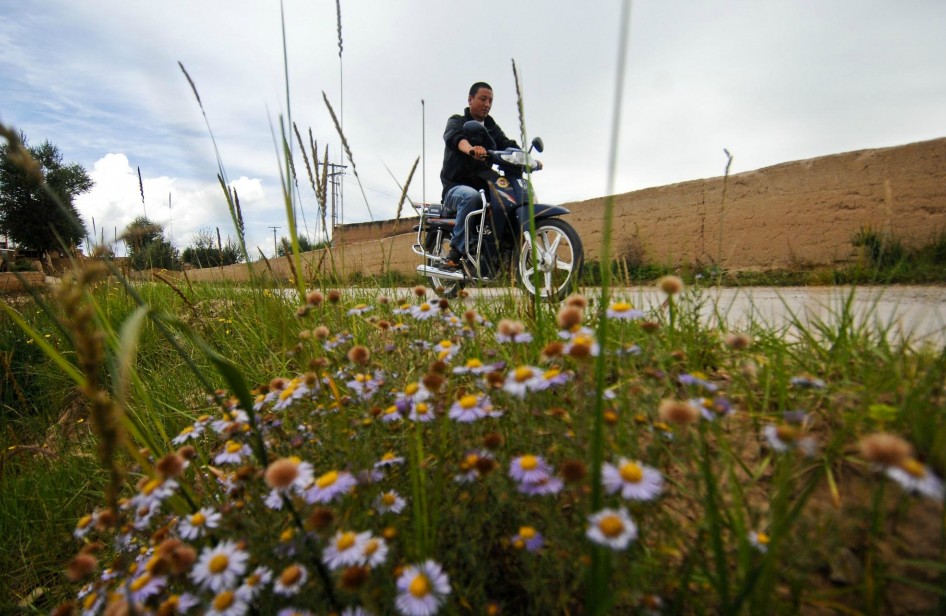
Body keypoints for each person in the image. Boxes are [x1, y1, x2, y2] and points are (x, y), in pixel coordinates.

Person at [440, 81, 519, 269]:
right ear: (470, 99)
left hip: (484, 186)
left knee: (507, 202)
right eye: (483, 99)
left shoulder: (491, 127)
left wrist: (524, 157)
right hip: (455, 187)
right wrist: (471, 149)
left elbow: (506, 144)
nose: (487, 104)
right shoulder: (457, 121)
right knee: (471, 197)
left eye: (491, 100)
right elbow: (456, 139)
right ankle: (456, 252)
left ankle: (500, 255)